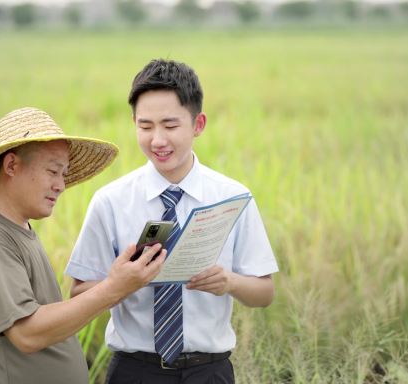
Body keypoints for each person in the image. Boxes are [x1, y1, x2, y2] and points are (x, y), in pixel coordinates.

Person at [66, 59, 279, 383]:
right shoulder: (111, 201)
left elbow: (264, 293)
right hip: (134, 371)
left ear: (198, 124)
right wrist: (120, 284)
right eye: (145, 126)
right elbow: (78, 293)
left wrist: (229, 282)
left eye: (170, 125)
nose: (157, 140)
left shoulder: (233, 197)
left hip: (210, 371)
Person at [0, 107, 166, 384]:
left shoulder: (15, 227)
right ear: (11, 166)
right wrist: (113, 288)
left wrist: (123, 282)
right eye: (53, 171)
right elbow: (27, 333)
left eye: (64, 174)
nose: (61, 185)